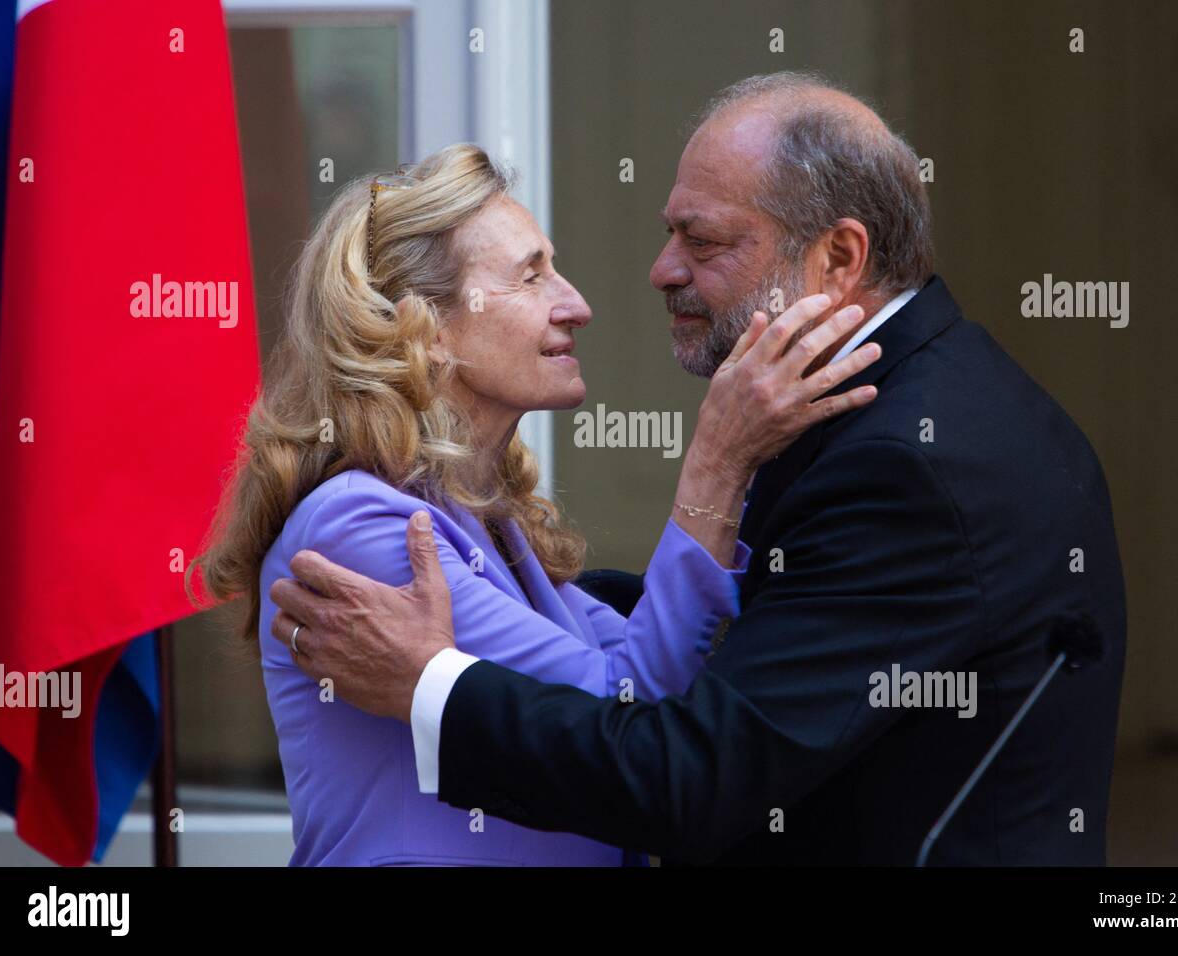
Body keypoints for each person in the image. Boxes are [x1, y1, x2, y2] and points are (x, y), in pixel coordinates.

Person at [269, 73, 1127, 865]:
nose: (656, 272)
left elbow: (680, 759)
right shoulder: (893, 405)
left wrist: (432, 686)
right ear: (423, 324)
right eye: (534, 275)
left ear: (838, 259)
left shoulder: (909, 461)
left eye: (703, 240)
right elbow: (674, 672)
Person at [193, 142, 882, 865]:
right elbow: (630, 704)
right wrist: (715, 465)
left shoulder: (489, 522)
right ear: (420, 326)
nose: (576, 305)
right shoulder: (359, 525)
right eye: (532, 276)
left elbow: (661, 684)